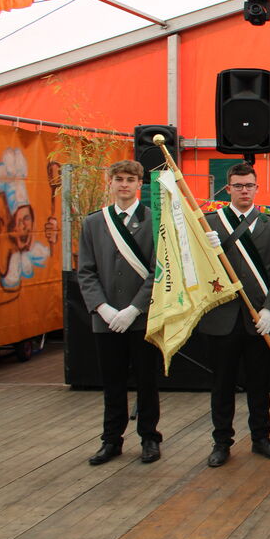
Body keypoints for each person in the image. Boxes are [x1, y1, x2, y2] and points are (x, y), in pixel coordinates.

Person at [201, 161, 270, 468]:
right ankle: (221, 442)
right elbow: (197, 269)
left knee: (259, 384)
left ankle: (261, 438)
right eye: (238, 186)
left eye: (249, 185)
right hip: (222, 318)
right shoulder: (209, 224)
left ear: (256, 188)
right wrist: (205, 249)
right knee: (222, 385)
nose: (244, 191)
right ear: (228, 189)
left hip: (258, 320)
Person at [77, 159, 162, 465]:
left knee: (147, 382)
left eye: (130, 179)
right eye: (119, 179)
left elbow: (159, 271)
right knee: (112, 383)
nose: (124, 184)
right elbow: (86, 271)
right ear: (110, 183)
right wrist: (103, 308)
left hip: (142, 317)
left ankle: (149, 437)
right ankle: (111, 440)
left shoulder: (154, 221)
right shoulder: (93, 223)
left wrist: (134, 308)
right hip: (107, 319)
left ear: (140, 184)